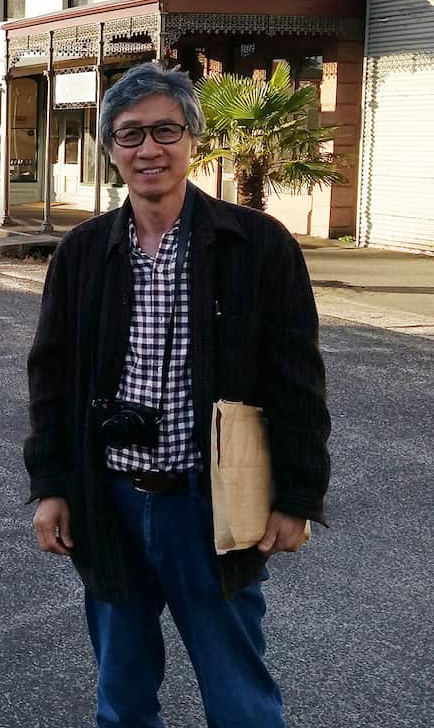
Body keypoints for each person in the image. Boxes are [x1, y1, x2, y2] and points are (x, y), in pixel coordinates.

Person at [25, 61, 330, 727]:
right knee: (123, 698)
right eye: (129, 135)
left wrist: (299, 498)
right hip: (111, 504)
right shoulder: (81, 252)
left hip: (213, 504)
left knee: (241, 700)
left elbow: (297, 380)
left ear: (193, 138)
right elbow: (52, 379)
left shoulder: (256, 245)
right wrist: (52, 486)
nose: (148, 150)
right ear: (110, 150)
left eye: (165, 130)